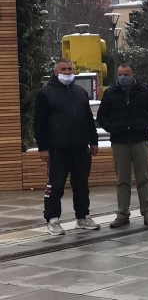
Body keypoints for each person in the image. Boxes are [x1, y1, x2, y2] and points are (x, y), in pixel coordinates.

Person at [33, 59, 101, 235]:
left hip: (80, 149)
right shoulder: (45, 93)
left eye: (70, 69)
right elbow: (39, 123)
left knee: (81, 185)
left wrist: (93, 141)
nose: (67, 71)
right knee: (55, 186)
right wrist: (43, 147)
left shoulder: (80, 92)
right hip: (57, 150)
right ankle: (52, 219)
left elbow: (88, 119)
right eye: (63, 69)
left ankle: (82, 217)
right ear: (56, 72)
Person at [97, 64, 148, 228]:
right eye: (119, 74)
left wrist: (145, 125)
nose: (122, 77)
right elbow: (102, 116)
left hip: (140, 140)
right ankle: (123, 214)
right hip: (119, 142)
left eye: (126, 74)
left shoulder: (144, 91)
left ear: (133, 75)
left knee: (143, 179)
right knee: (122, 180)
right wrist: (112, 128)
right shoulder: (110, 92)